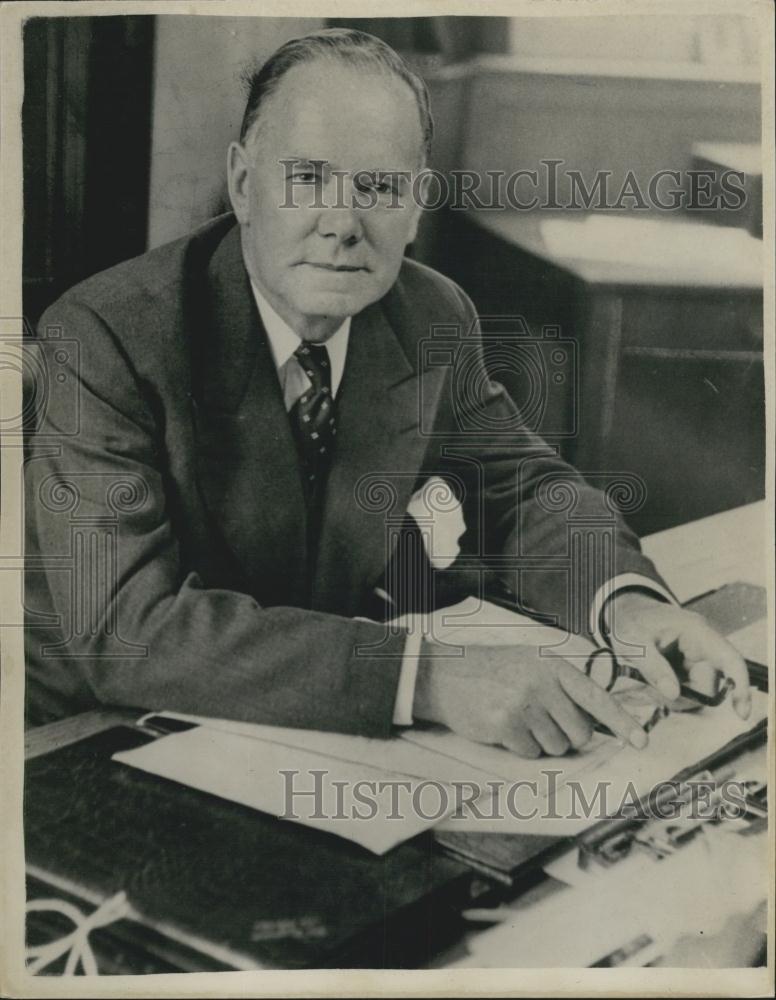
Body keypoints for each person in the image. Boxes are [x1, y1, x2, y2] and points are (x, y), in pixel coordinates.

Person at [24, 28, 750, 756]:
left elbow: (519, 489)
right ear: (244, 186)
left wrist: (626, 603)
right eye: (307, 179)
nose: (342, 224)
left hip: (305, 724)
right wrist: (426, 678)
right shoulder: (108, 335)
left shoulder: (429, 315)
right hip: (88, 737)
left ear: (416, 207)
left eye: (378, 187)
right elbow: (128, 632)